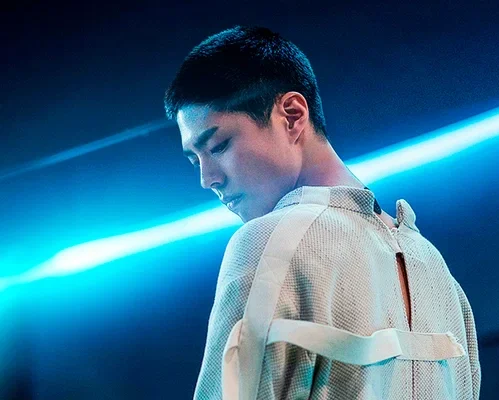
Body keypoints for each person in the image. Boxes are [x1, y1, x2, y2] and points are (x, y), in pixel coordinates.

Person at [164, 25, 480, 400]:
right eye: (195, 160)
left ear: (292, 115)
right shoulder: (438, 271)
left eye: (218, 146)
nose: (207, 179)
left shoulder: (270, 243)